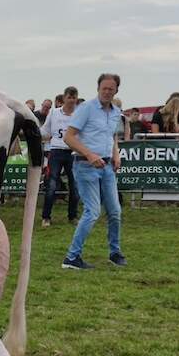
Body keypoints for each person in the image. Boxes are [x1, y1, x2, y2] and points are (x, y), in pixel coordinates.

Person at [61, 73, 127, 269]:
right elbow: (69, 137)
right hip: (85, 165)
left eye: (111, 89)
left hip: (107, 167)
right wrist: (90, 155)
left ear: (116, 90)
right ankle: (72, 258)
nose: (107, 92)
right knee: (92, 212)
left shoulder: (116, 111)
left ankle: (115, 253)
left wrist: (116, 154)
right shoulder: (86, 109)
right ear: (98, 88)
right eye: (104, 88)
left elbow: (112, 136)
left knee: (115, 211)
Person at [40, 85, 80, 227]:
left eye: (74, 97)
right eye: (69, 97)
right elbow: (45, 130)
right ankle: (46, 217)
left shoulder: (79, 114)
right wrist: (34, 134)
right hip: (56, 151)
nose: (71, 100)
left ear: (76, 99)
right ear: (64, 98)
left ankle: (73, 216)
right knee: (51, 184)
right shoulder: (54, 113)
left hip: (73, 152)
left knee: (74, 185)